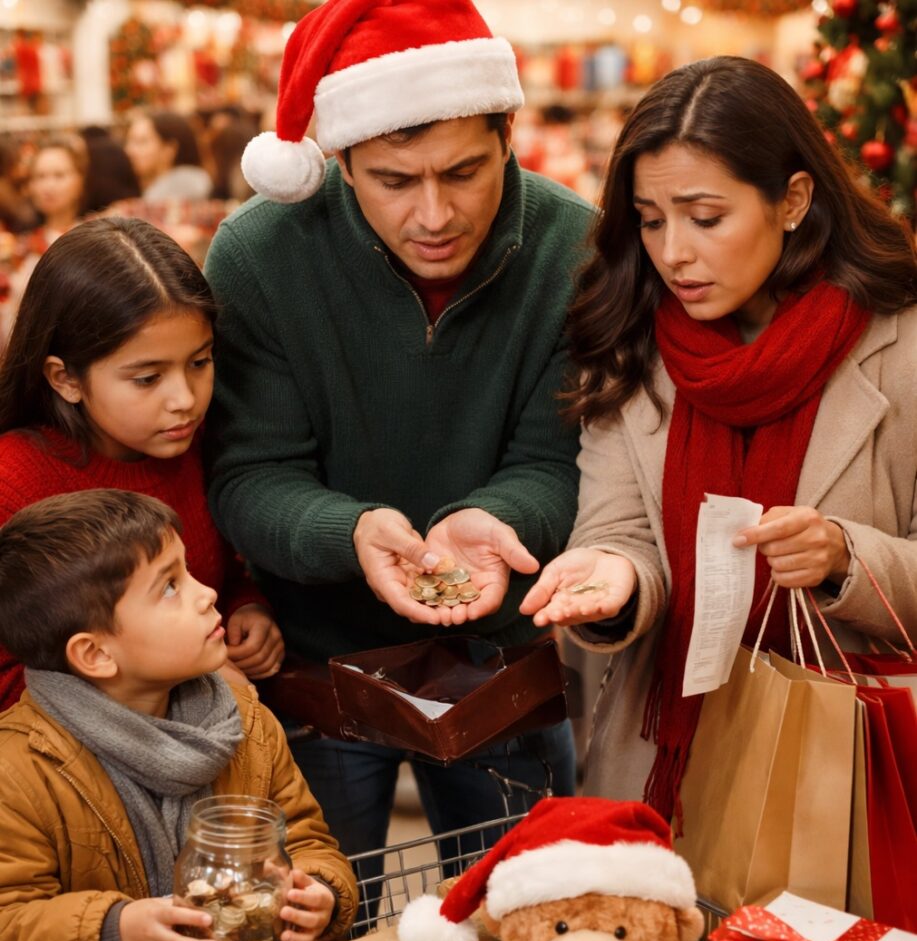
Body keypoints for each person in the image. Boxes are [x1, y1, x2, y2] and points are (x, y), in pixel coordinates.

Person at [205, 0, 593, 858]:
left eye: (463, 173)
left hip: (501, 668)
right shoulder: (258, 257)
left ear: (507, 137)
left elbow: (557, 460)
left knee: (519, 918)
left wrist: (500, 523)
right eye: (394, 180)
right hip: (314, 669)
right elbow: (246, 474)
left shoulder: (572, 248)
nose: (434, 215)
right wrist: (351, 533)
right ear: (340, 161)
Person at [520, 55, 917, 822]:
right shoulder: (634, 340)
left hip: (853, 772)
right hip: (668, 762)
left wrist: (842, 559)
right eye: (649, 219)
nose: (672, 253)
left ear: (793, 198)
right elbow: (619, 528)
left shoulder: (898, 347)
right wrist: (615, 578)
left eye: (705, 219)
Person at [0, 489, 357, 941]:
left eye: (187, 571)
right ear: (95, 653)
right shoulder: (17, 768)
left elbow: (304, 837)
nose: (207, 593)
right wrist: (114, 931)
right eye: (169, 587)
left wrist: (320, 892)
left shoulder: (245, 719)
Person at [0, 217, 284, 711]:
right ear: (64, 378)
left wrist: (244, 607)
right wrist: (188, 676)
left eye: (200, 362)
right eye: (148, 378)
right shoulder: (13, 482)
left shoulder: (195, 445)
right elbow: (10, 679)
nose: (184, 400)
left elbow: (216, 571)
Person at [0, 136, 87, 345]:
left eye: (59, 175)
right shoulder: (21, 247)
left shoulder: (94, 239)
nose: (48, 186)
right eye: (40, 177)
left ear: (80, 181)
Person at [125, 112, 212, 201]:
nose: (129, 150)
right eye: (129, 141)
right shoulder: (152, 188)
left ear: (169, 149)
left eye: (141, 142)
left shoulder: (181, 188)